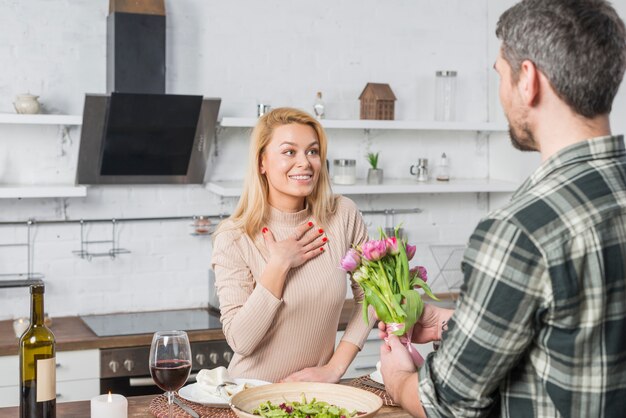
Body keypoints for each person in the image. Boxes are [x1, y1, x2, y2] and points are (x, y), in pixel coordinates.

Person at [378, 0, 626, 417]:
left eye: (500, 74)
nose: (501, 91)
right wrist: (450, 325)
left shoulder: (520, 230)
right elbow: (576, 331)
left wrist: (401, 380)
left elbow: (445, 403)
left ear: (527, 79)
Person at [211, 107, 373, 383]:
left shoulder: (342, 215)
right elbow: (241, 341)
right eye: (289, 152)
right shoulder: (234, 237)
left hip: (317, 398)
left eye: (312, 151)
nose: (305, 163)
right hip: (251, 397)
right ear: (262, 162)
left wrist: (334, 368)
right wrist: (279, 265)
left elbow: (373, 296)